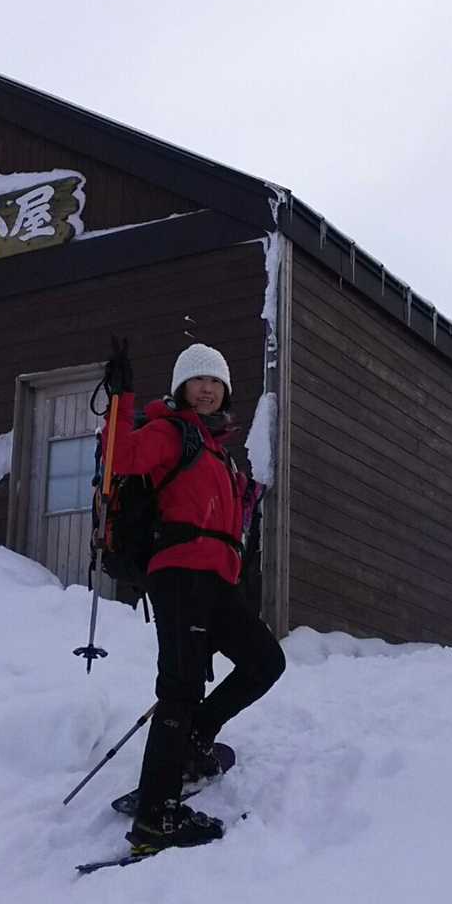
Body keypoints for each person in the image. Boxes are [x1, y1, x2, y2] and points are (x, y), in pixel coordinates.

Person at [102, 340, 286, 853]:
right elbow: (120, 458)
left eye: (215, 382)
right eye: (198, 380)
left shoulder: (216, 451)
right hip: (180, 575)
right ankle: (156, 819)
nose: (207, 389)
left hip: (216, 583)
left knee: (264, 661)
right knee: (180, 688)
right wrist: (121, 398)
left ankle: (193, 742)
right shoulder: (170, 432)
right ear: (181, 387)